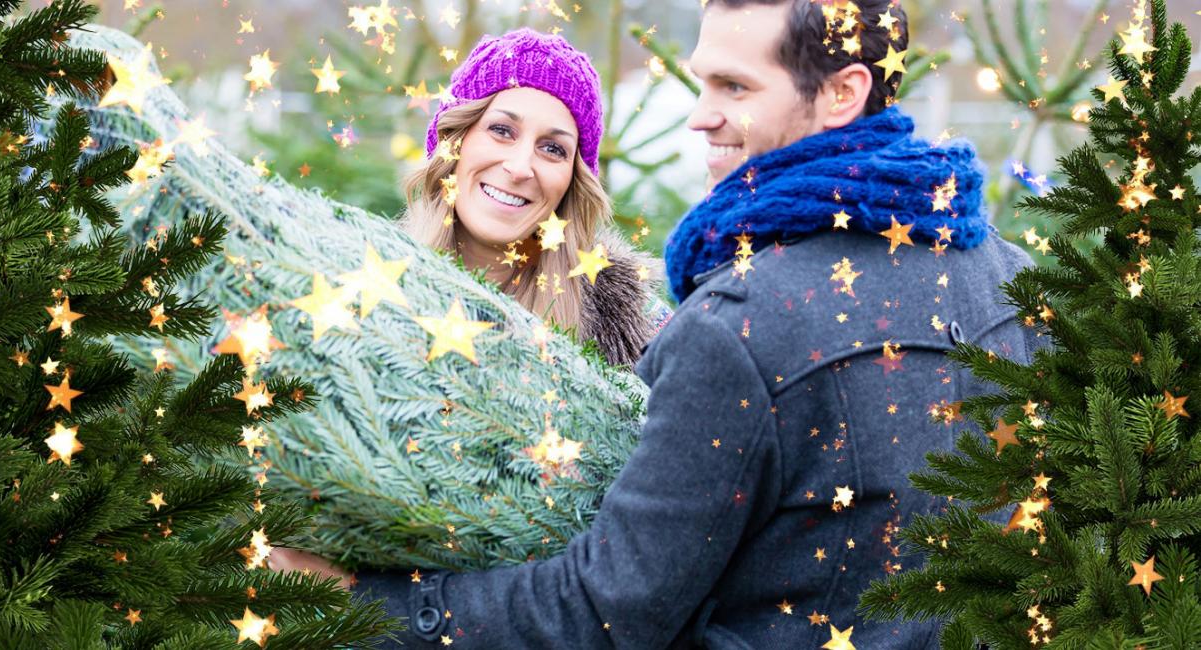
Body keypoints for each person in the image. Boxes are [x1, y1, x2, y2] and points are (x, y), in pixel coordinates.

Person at [270, 1, 1036, 647]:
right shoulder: (1000, 271)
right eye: (703, 81)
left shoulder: (733, 328)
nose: (700, 116)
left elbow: (610, 608)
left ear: (842, 92)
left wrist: (366, 606)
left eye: (734, 86)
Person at [400, 27, 668, 367]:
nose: (520, 167)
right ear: (455, 141)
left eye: (553, 149)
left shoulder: (641, 327)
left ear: (573, 180)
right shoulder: (367, 282)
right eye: (501, 131)